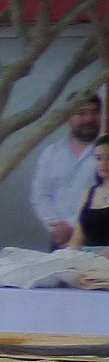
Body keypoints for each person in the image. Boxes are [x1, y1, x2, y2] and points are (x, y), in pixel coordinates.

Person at [29, 96, 103, 248]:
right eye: (81, 113)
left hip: (99, 242)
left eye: (94, 112)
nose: (88, 118)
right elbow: (40, 195)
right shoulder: (51, 153)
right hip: (60, 242)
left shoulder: (106, 153)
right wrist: (56, 227)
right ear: (68, 116)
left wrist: (71, 226)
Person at [80, 138, 109, 250]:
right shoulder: (88, 193)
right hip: (86, 258)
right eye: (99, 158)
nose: (104, 163)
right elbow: (77, 238)